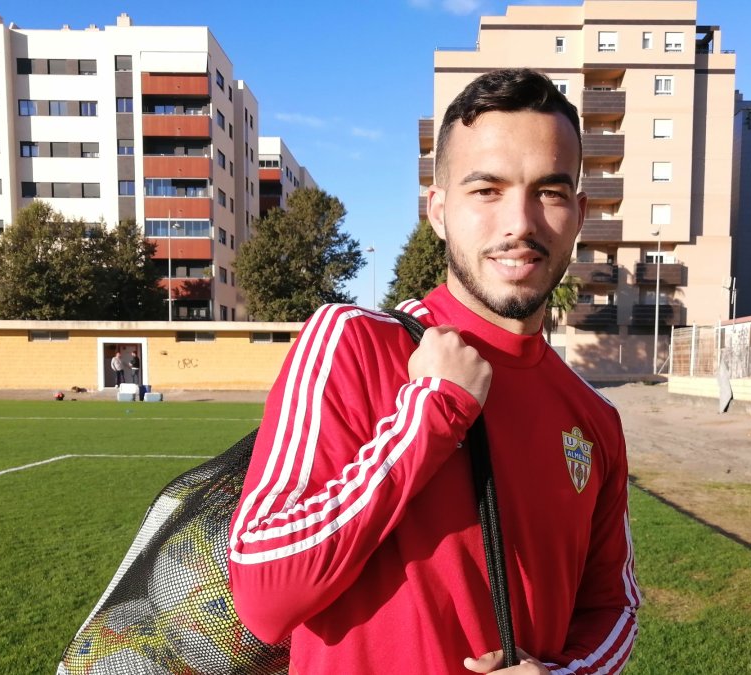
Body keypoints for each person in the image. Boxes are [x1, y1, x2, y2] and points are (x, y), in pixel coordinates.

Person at [229, 68, 638, 674]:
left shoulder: (594, 418)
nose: (519, 224)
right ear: (439, 210)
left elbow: (614, 606)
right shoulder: (352, 344)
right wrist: (430, 414)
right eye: (487, 190)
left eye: (549, 192)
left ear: (578, 214)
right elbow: (264, 594)